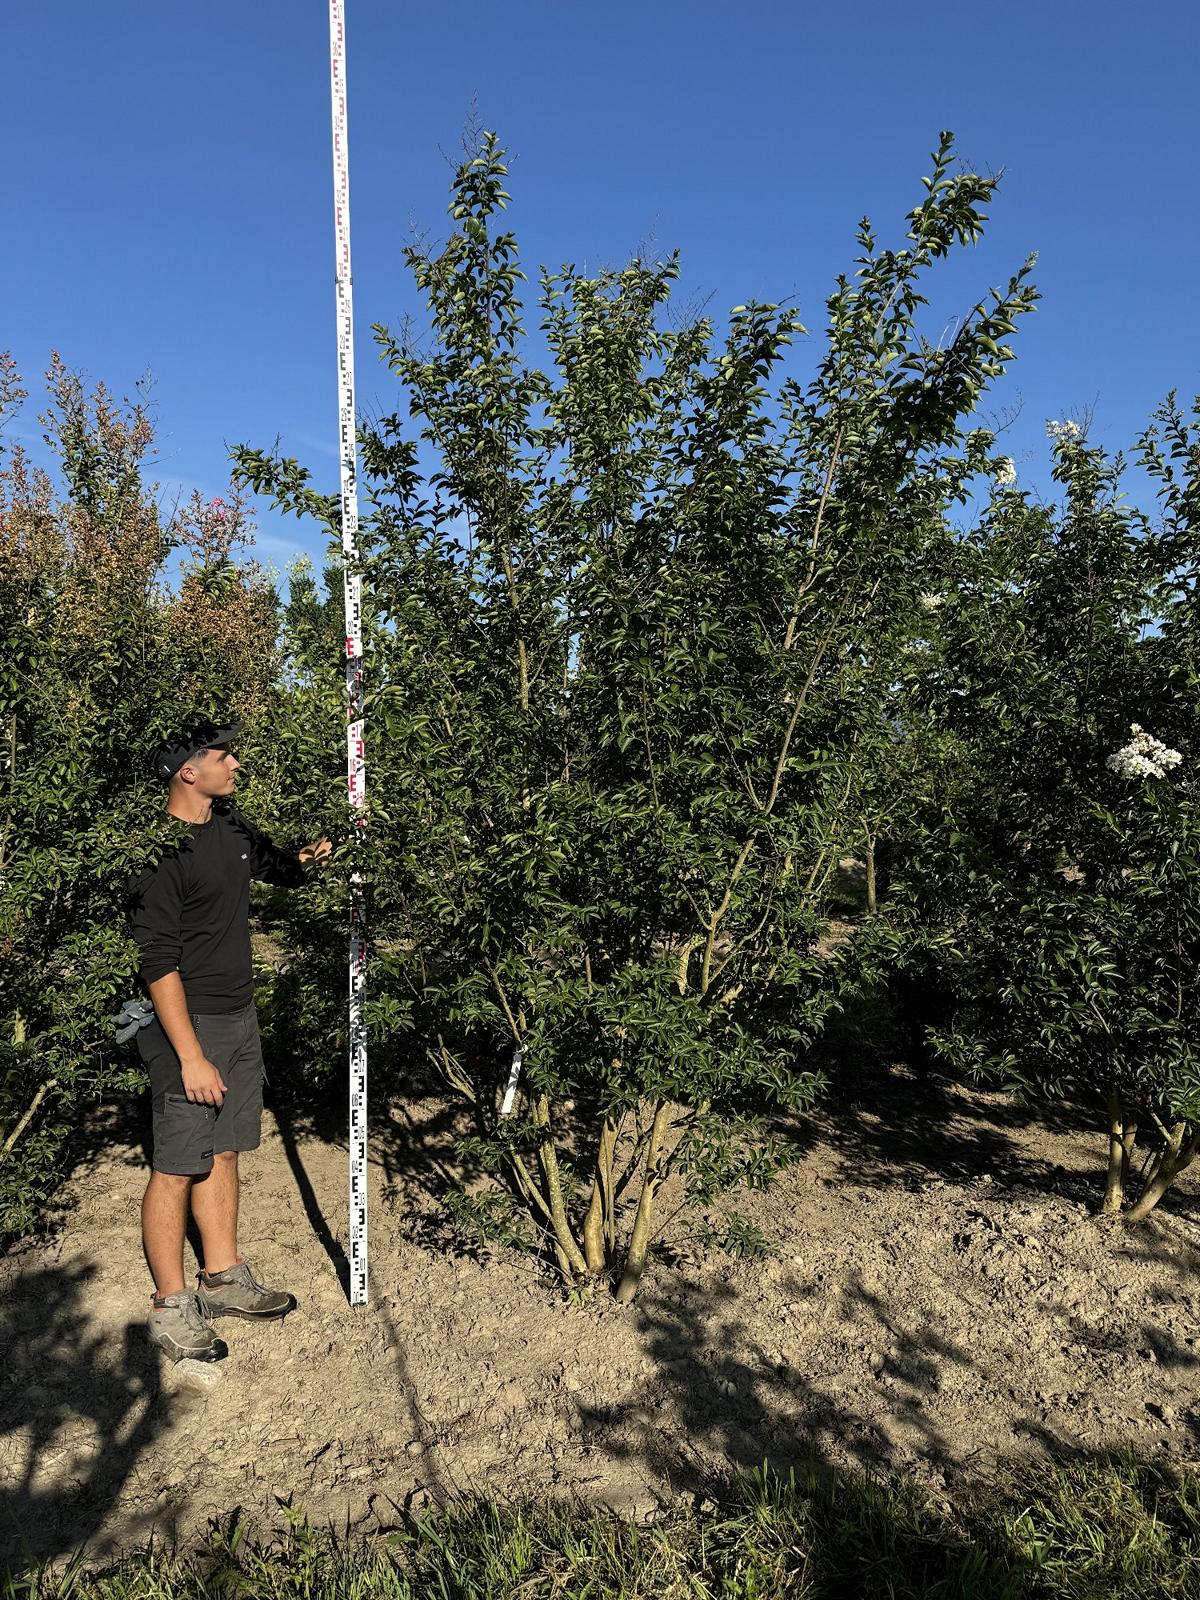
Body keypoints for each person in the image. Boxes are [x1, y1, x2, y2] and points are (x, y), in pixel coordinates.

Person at [127, 717, 331, 1363]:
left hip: (238, 1015)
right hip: (183, 1023)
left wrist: (332, 846)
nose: (235, 764)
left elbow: (282, 869)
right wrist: (190, 1056)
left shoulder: (232, 829)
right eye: (224, 756)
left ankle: (223, 1276)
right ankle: (171, 1305)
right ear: (189, 770)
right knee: (178, 1165)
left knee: (226, 1149)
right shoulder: (159, 852)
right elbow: (156, 961)